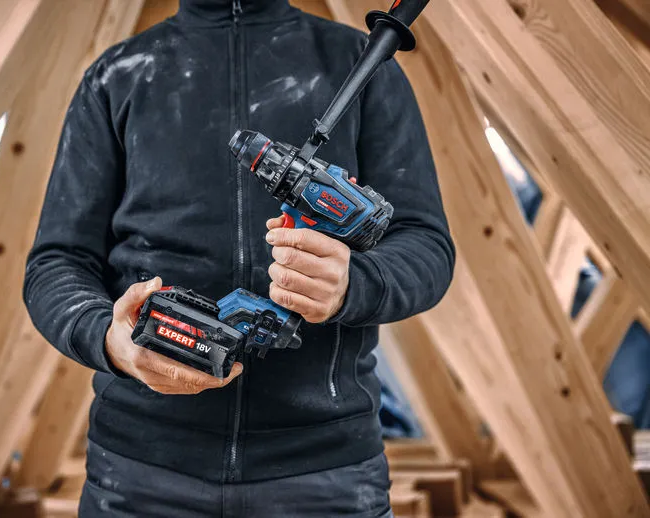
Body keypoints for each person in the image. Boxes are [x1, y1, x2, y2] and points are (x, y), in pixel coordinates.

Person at [23, 0, 454, 515]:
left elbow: (426, 245)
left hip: (325, 477)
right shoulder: (116, 76)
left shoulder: (361, 66)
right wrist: (109, 339)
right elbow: (56, 264)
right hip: (140, 475)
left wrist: (351, 285)